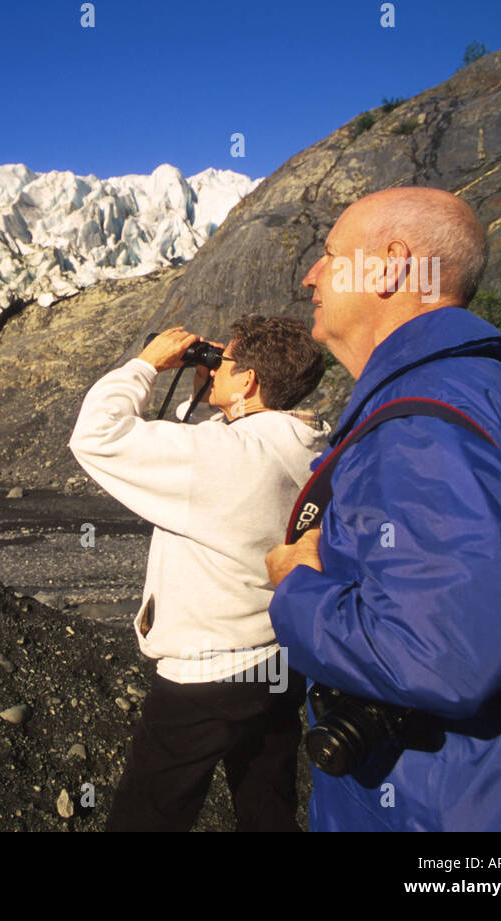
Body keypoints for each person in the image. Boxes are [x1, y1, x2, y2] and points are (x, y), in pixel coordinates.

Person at [265, 186, 501, 831]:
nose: (310, 275)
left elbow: (438, 656)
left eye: (329, 255)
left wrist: (296, 587)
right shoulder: (498, 396)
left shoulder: (422, 424)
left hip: (441, 811)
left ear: (388, 265)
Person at [69, 314, 329, 831]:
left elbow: (96, 437)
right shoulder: (307, 443)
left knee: (148, 814)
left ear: (250, 380)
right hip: (277, 657)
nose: (216, 367)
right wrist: (206, 393)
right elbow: (218, 464)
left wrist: (145, 366)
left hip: (208, 673)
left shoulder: (223, 455)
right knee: (266, 806)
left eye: (225, 362)